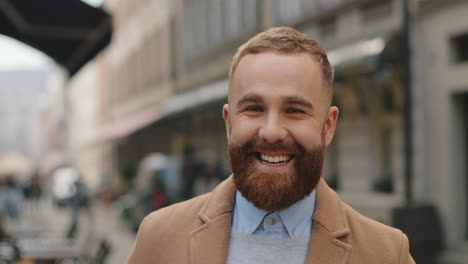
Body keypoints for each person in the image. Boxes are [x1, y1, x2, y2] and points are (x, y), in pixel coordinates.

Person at [127, 27, 415, 263]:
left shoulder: (387, 254)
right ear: (229, 123)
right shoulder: (158, 238)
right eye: (253, 108)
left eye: (295, 110)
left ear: (328, 126)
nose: (272, 132)